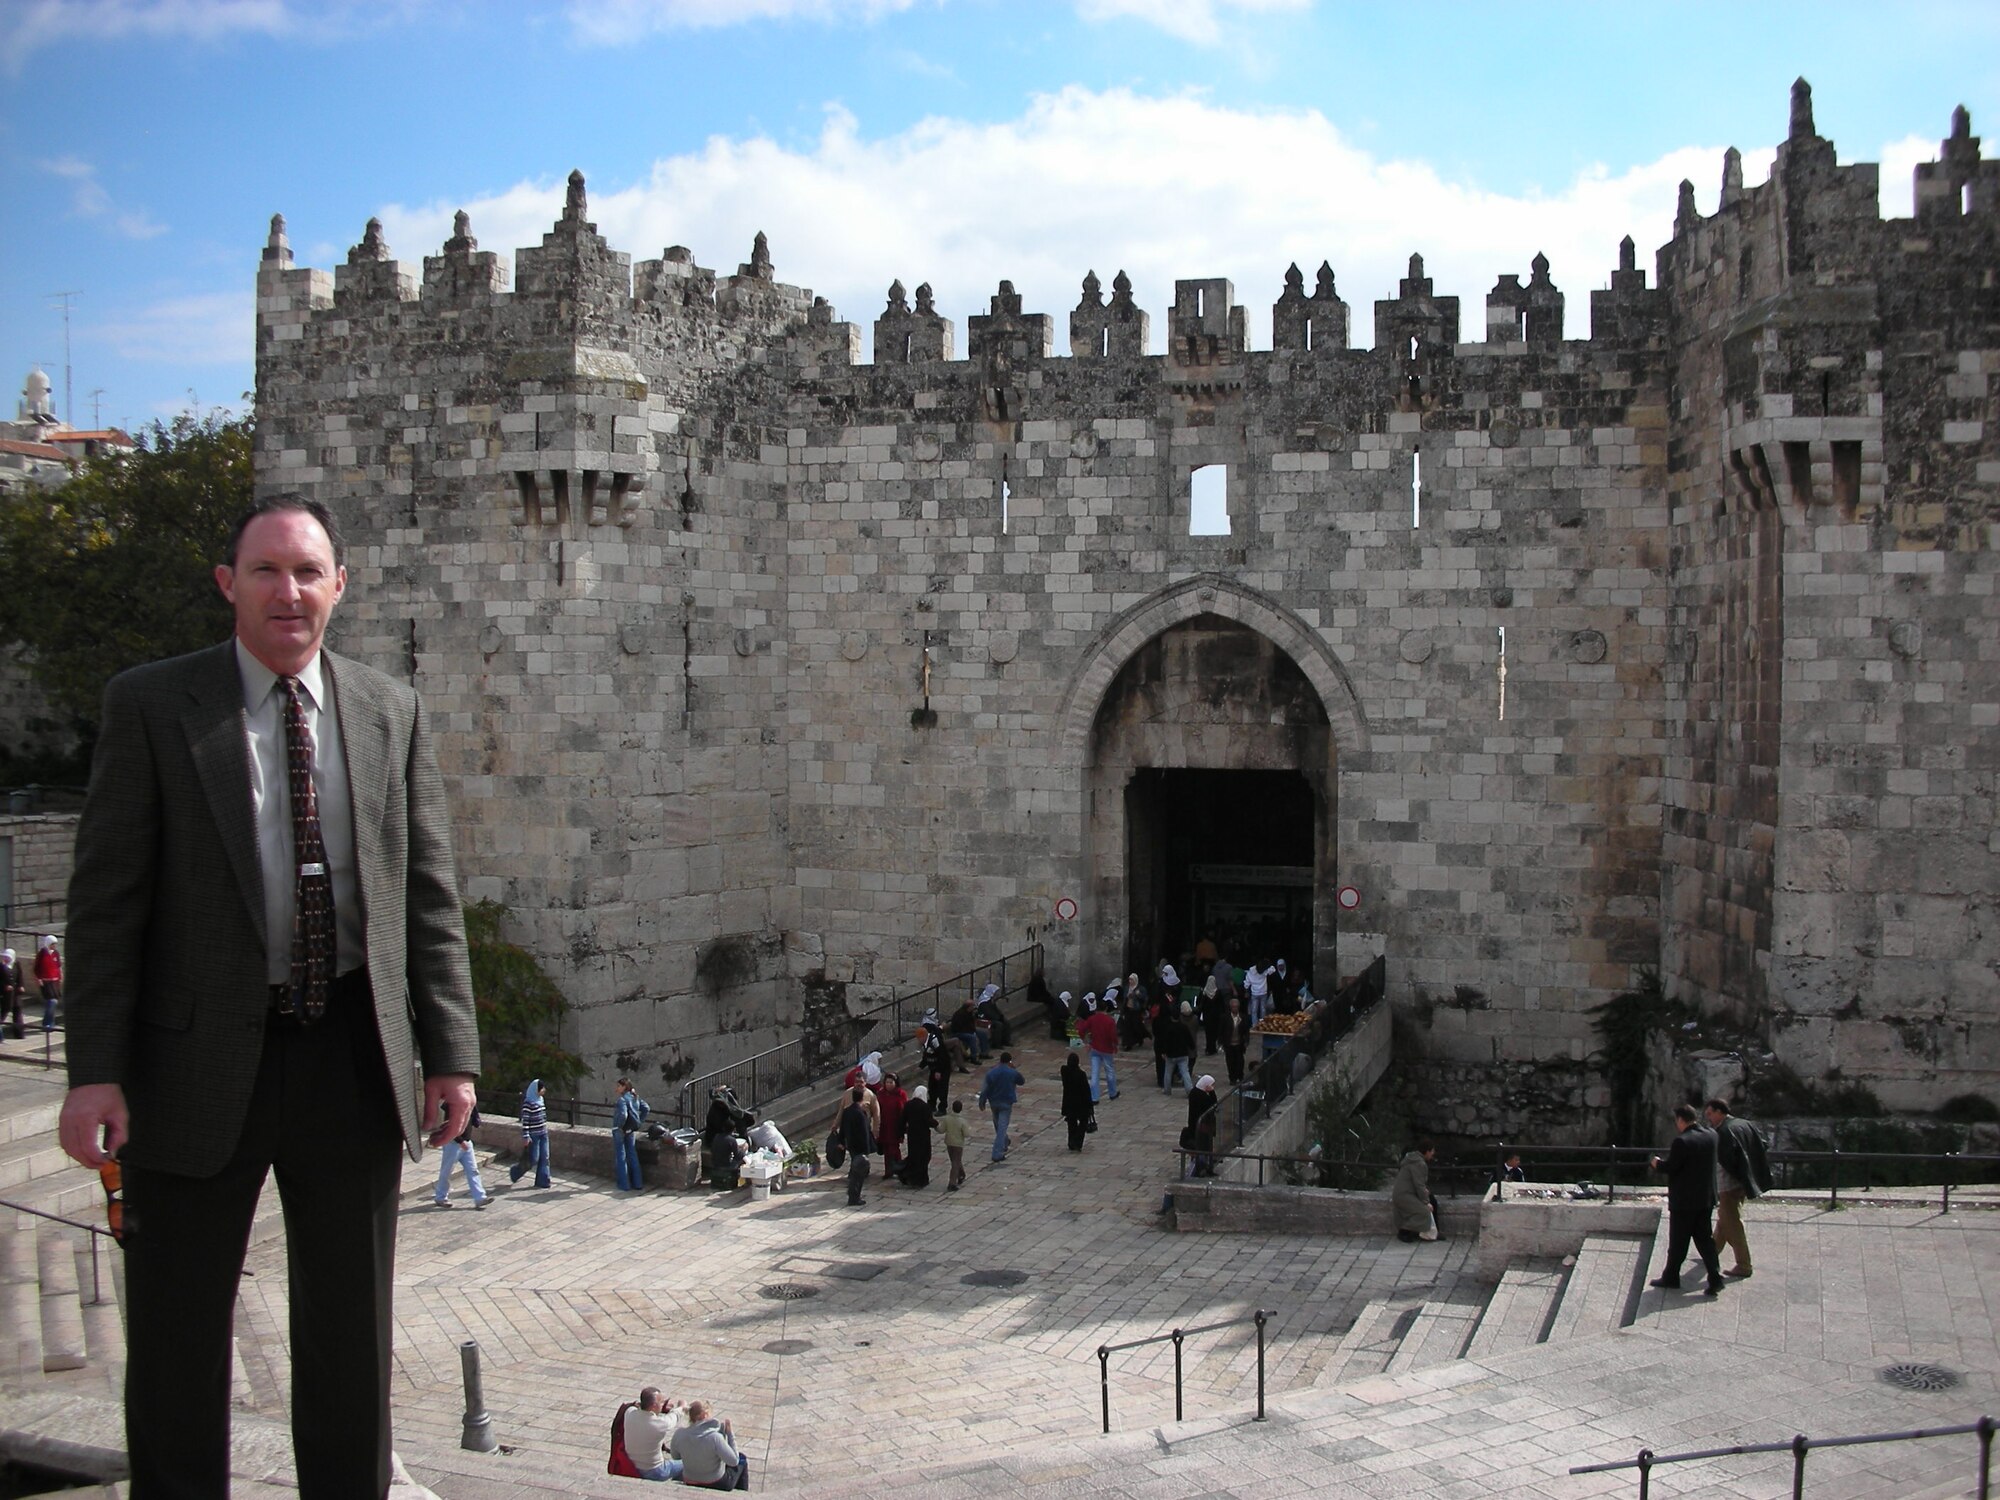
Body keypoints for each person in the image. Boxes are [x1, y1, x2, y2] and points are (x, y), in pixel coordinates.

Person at [56, 493, 481, 1499]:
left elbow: (426, 890)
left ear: (340, 585)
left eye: (306, 572)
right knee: (177, 1336)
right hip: (191, 1061)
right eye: (265, 571)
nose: (287, 592)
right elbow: (106, 905)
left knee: (349, 1336)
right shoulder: (154, 705)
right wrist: (94, 1074)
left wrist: (451, 1051)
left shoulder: (388, 709)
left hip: (346, 1052)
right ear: (227, 585)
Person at [1650, 1104, 1725, 1296]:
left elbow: (1672, 1167)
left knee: (1678, 1242)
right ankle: (1715, 1277)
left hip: (1684, 1202)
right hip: (1705, 1198)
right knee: (1705, 1240)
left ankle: (1671, 1277)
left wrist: (1657, 1163)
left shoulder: (1682, 1142)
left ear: (1681, 1120)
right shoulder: (1711, 1135)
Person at [1705, 1097, 1770, 1280]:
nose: (1709, 1118)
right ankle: (1711, 1253)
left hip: (1729, 1185)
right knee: (1725, 1220)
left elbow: (1726, 1161)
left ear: (1719, 1112)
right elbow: (1763, 1145)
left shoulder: (1724, 1132)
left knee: (1732, 1223)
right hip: (1744, 1182)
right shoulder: (1745, 1124)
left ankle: (1744, 1264)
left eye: (1710, 1114)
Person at [670, 1399, 750, 1490]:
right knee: (741, 1459)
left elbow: (675, 1456)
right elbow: (734, 1461)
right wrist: (729, 1434)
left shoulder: (679, 1434)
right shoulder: (715, 1437)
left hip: (689, 1479)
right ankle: (742, 1494)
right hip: (716, 1482)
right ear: (705, 1415)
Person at [434, 1100, 489, 1208]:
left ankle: (480, 1198)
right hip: (453, 1143)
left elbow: (473, 1119)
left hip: (467, 1143)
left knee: (473, 1170)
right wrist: (460, 1141)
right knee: (447, 1171)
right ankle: (440, 1197)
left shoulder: (470, 1102)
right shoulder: (453, 1103)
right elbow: (448, 1126)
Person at [623, 1386, 686, 1481]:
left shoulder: (629, 1413)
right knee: (690, 1463)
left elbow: (636, 1407)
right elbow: (674, 1416)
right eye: (661, 1402)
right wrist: (681, 1407)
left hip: (633, 1466)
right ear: (653, 1406)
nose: (663, 1404)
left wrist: (662, 1408)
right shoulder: (660, 1424)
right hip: (655, 1470)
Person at [977, 1050, 1025, 1162]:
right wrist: (1014, 1069)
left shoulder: (991, 1073)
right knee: (1002, 1128)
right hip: (1006, 1103)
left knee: (998, 1124)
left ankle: (1004, 1141)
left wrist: (982, 1101)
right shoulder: (1012, 1072)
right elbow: (1021, 1081)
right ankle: (997, 1153)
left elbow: (985, 1088)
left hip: (994, 1102)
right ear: (1009, 1061)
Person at [1391, 1141, 1441, 1242]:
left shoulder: (1412, 1159)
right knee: (1424, 1212)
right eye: (1431, 1152)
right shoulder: (1419, 1164)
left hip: (1407, 1192)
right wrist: (1426, 1202)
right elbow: (1419, 1185)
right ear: (1426, 1152)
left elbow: (1418, 1184)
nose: (1433, 1154)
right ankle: (1404, 1231)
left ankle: (1435, 1231)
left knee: (1433, 1201)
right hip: (1404, 1195)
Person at [510, 1076, 552, 1188]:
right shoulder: (528, 1103)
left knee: (545, 1157)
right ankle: (515, 1172)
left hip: (543, 1133)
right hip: (534, 1135)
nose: (544, 1090)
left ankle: (543, 1180)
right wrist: (526, 1136)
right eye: (542, 1088)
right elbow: (526, 1121)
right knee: (534, 1158)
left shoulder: (541, 1101)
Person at [1077, 997, 1119, 1102]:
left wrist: (1086, 1042)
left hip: (1095, 1048)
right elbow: (1113, 1036)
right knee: (1109, 1071)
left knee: (1095, 1073)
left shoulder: (1092, 1019)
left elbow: (1081, 1029)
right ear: (1106, 1009)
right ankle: (1112, 1093)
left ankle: (1094, 1097)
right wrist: (1115, 1045)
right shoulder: (1110, 1021)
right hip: (1107, 1049)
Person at [613, 1077, 649, 1192]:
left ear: (624, 1087)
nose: (616, 1088)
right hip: (631, 1130)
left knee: (621, 1156)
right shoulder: (635, 1097)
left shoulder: (622, 1100)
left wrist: (619, 1126)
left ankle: (624, 1184)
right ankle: (637, 1183)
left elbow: (623, 1115)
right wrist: (639, 1122)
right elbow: (646, 1108)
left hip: (621, 1130)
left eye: (619, 1086)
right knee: (632, 1155)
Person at [839, 1086, 873, 1206]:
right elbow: (864, 1132)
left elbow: (842, 1127)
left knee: (854, 1170)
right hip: (860, 1146)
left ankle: (852, 1194)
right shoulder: (860, 1113)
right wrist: (867, 1149)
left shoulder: (847, 1111)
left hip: (851, 1144)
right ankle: (854, 1196)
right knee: (858, 1174)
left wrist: (841, 1141)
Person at [874, 1070, 908, 1181]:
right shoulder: (881, 1094)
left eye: (891, 1082)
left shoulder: (901, 1094)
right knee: (886, 1148)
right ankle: (888, 1170)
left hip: (895, 1126)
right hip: (884, 1125)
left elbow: (904, 1110)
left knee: (894, 1149)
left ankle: (898, 1168)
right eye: (887, 1082)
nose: (888, 1084)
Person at [1157, 1002, 1196, 1094]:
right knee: (1185, 1073)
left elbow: (1165, 1041)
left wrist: (1164, 1052)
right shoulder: (1184, 1027)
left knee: (1168, 1073)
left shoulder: (1168, 1028)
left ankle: (1167, 1090)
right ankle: (1189, 1090)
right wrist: (1192, 1047)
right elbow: (1189, 1040)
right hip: (1183, 1054)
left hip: (1171, 1055)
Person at [900, 1083, 934, 1187]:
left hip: (912, 1135)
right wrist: (937, 1124)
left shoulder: (908, 1105)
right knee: (924, 1157)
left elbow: (902, 1120)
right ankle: (921, 1180)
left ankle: (911, 1177)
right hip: (923, 1136)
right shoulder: (925, 1106)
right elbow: (929, 1121)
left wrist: (901, 1132)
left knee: (914, 1156)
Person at [1185, 1075, 1219, 1176]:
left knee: (1200, 1148)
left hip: (1195, 1125)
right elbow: (1213, 1105)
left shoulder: (1194, 1092)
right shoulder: (1202, 1096)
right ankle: (1201, 1169)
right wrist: (1212, 1092)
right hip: (1202, 1127)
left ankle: (1202, 1167)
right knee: (1204, 1148)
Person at [1059, 1051, 1093, 1151]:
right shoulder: (1081, 1074)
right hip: (1081, 1103)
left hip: (1069, 1102)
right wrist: (1090, 1105)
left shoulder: (1065, 1071)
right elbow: (1086, 1090)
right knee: (1083, 1123)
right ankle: (1078, 1142)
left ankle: (1071, 1141)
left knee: (1071, 1123)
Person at [1221, 993, 1251, 1086]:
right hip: (1229, 1043)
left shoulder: (1243, 1017)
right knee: (1230, 1062)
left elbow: (1246, 1030)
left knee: (1240, 1061)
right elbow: (1221, 1030)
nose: (1235, 1009)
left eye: (1236, 1007)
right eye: (1233, 1007)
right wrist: (1221, 1042)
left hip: (1239, 1043)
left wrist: (1246, 1041)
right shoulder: (1225, 1018)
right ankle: (1232, 1078)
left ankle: (1240, 1076)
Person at [940, 1097, 969, 1190]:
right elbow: (966, 1134)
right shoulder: (962, 1121)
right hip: (958, 1144)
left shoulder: (947, 1119)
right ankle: (952, 1183)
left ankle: (961, 1174)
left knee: (954, 1160)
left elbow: (941, 1130)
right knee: (956, 1162)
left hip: (949, 1143)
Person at [34, 934, 61, 1031]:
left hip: (54, 981)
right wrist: (39, 979)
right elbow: (36, 968)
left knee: (54, 1002)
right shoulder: (42, 954)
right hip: (45, 982)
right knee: (51, 1001)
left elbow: (58, 966)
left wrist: (60, 977)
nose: (54, 946)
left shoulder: (56, 953)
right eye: (52, 944)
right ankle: (47, 1023)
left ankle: (50, 1022)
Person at [949, 997, 989, 1062]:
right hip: (959, 1032)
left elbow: (971, 1024)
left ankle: (984, 1053)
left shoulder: (969, 1013)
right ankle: (974, 1057)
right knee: (972, 1037)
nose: (974, 1007)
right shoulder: (959, 1014)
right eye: (973, 1006)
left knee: (983, 1033)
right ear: (969, 1007)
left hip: (968, 1030)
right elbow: (959, 1027)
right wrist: (971, 1031)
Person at [0, 947, 24, 1040]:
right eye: (5, 957)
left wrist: (21, 986)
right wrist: (4, 986)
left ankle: (19, 1033)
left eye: (8, 957)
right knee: (5, 1012)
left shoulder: (16, 965)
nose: (6, 959)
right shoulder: (1, 967)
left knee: (17, 1012)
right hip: (6, 995)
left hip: (15, 994)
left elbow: (20, 976)